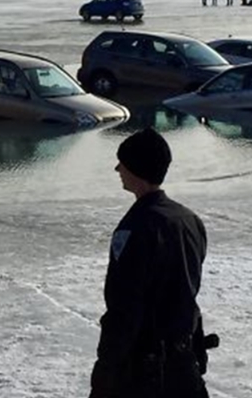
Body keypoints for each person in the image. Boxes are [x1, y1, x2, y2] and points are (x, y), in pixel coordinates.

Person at [90, 128, 213, 398]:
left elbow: (125, 305)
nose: (117, 168)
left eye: (122, 162)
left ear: (136, 168)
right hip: (183, 363)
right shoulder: (190, 221)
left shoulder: (135, 228)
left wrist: (106, 369)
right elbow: (189, 292)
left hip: (143, 371)